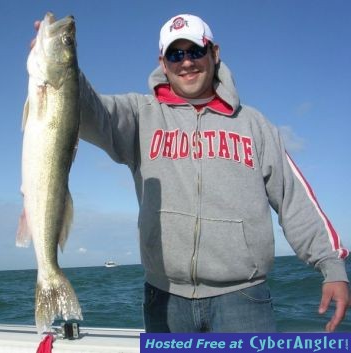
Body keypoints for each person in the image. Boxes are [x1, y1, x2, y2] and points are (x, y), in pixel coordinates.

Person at [31, 14, 349, 332]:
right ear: (163, 61)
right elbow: (84, 109)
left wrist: (331, 265)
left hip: (243, 299)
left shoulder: (255, 126)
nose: (186, 63)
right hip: (164, 299)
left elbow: (294, 198)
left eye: (195, 51)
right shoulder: (140, 115)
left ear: (214, 52)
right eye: (175, 54)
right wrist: (59, 63)